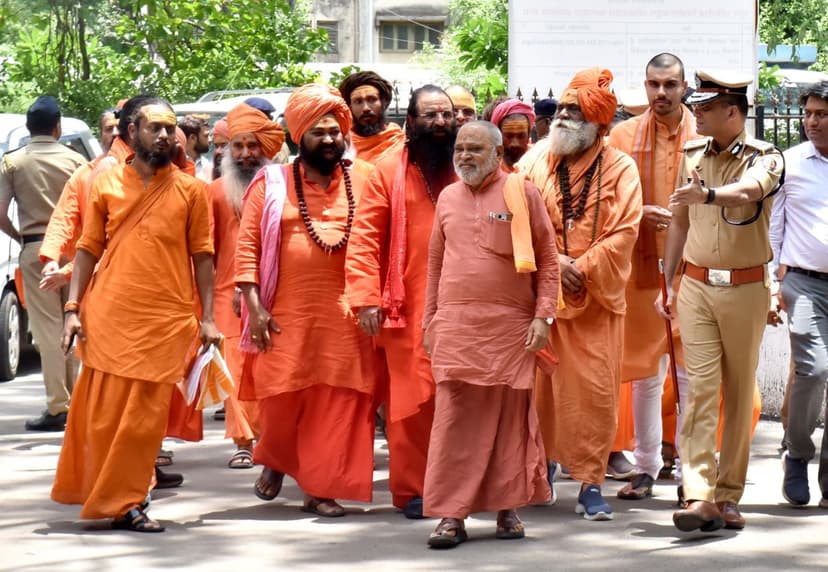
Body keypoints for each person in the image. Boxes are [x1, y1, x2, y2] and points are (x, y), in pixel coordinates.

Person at [51, 96, 220, 532]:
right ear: (131, 133)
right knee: (104, 415)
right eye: (154, 127)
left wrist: (209, 318)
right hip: (109, 314)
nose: (164, 135)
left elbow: (203, 256)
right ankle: (114, 497)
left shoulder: (191, 191)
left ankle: (128, 499)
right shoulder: (106, 185)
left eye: (170, 128)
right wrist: (72, 308)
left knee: (143, 422)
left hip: (165, 320)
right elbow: (88, 248)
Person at [236, 84, 376, 516]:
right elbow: (248, 246)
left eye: (335, 131)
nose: (330, 140)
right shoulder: (271, 182)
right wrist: (253, 305)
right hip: (286, 312)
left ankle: (320, 487)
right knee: (280, 400)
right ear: (299, 136)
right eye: (318, 132)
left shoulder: (365, 179)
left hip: (345, 314)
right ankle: (277, 457)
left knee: (338, 401)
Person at [422, 121, 558, 548]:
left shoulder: (523, 193)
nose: (464, 156)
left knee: (509, 423)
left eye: (475, 149)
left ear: (498, 154)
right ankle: (450, 515)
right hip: (457, 328)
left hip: (510, 330)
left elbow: (549, 260)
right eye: (460, 148)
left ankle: (507, 509)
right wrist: (430, 322)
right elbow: (435, 266)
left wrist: (543, 317)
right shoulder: (447, 197)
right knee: (453, 423)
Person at [658, 71, 783, 532]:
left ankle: (730, 495)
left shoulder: (765, 157)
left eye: (706, 108)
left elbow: (750, 192)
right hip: (695, 287)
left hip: (747, 288)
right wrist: (666, 283)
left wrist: (708, 195)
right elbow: (678, 223)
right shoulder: (692, 154)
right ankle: (699, 494)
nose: (697, 114)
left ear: (733, 112)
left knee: (736, 387)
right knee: (702, 390)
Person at [518, 68, 643, 521]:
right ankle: (541, 471)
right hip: (545, 302)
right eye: (564, 108)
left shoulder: (620, 167)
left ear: (599, 124)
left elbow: (625, 231)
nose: (564, 116)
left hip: (595, 304)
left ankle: (590, 484)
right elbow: (518, 220)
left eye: (576, 110)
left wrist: (582, 268)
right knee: (542, 394)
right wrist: (557, 265)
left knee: (593, 395)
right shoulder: (533, 160)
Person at [345, 84, 458, 519]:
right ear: (410, 122)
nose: (439, 124)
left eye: (446, 115)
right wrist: (367, 298)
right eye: (429, 116)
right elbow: (365, 238)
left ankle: (454, 484)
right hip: (407, 307)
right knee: (413, 401)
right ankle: (413, 489)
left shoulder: (467, 165)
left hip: (465, 304)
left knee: (458, 398)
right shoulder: (387, 170)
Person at [606, 53, 696, 498]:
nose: (661, 93)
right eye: (653, 85)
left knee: (691, 373)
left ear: (684, 87)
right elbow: (606, 199)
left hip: (695, 266)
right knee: (646, 375)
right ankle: (645, 466)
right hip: (640, 268)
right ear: (644, 87)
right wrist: (639, 212)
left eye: (670, 85)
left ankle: (689, 471)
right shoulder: (622, 136)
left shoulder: (704, 134)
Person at [0, 95, 86, 431]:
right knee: (73, 321)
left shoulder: (13, 162)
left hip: (36, 250)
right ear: (57, 126)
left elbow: (0, 211)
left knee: (48, 330)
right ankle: (76, 400)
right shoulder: (76, 161)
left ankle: (57, 407)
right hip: (77, 253)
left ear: (28, 127)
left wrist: (22, 235)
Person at [210, 102, 284, 468]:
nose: (244, 154)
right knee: (236, 372)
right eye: (237, 146)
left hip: (273, 293)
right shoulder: (213, 194)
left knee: (269, 369)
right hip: (227, 296)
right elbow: (204, 253)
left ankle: (271, 442)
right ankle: (243, 440)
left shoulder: (280, 186)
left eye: (252, 146)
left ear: (265, 149)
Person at [770, 80, 828, 509]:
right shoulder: (790, 162)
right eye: (808, 113)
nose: (811, 122)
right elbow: (775, 224)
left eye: (821, 114)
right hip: (803, 281)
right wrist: (774, 280)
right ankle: (797, 454)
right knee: (812, 369)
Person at [339, 71, 405, 164]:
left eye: (372, 100)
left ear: (383, 102)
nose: (366, 108)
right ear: (349, 107)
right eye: (358, 101)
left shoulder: (400, 143)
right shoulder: (341, 146)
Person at [490, 99, 535, 172]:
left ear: (529, 134)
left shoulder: (539, 161)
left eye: (521, 136)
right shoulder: (488, 166)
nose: (515, 144)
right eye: (509, 136)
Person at [179, 114, 211, 181]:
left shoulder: (207, 165)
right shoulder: (175, 163)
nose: (210, 139)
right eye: (206, 136)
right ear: (192, 138)